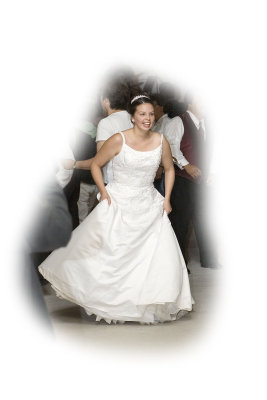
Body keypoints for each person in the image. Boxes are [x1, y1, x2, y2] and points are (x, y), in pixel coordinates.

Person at [38, 94, 193, 324]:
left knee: (150, 256)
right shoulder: (118, 139)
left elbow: (169, 169)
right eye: (142, 114)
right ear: (132, 117)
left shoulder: (161, 141)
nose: (148, 118)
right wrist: (104, 191)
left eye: (151, 114)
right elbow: (96, 165)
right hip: (118, 200)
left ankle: (143, 302)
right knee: (113, 253)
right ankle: (108, 302)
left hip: (149, 202)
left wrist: (167, 198)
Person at [166, 93, 218, 268]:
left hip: (204, 182)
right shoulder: (178, 122)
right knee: (180, 222)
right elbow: (171, 148)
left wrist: (213, 172)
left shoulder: (207, 125)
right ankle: (180, 265)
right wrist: (186, 166)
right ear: (193, 101)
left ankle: (209, 260)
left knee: (206, 220)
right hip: (182, 181)